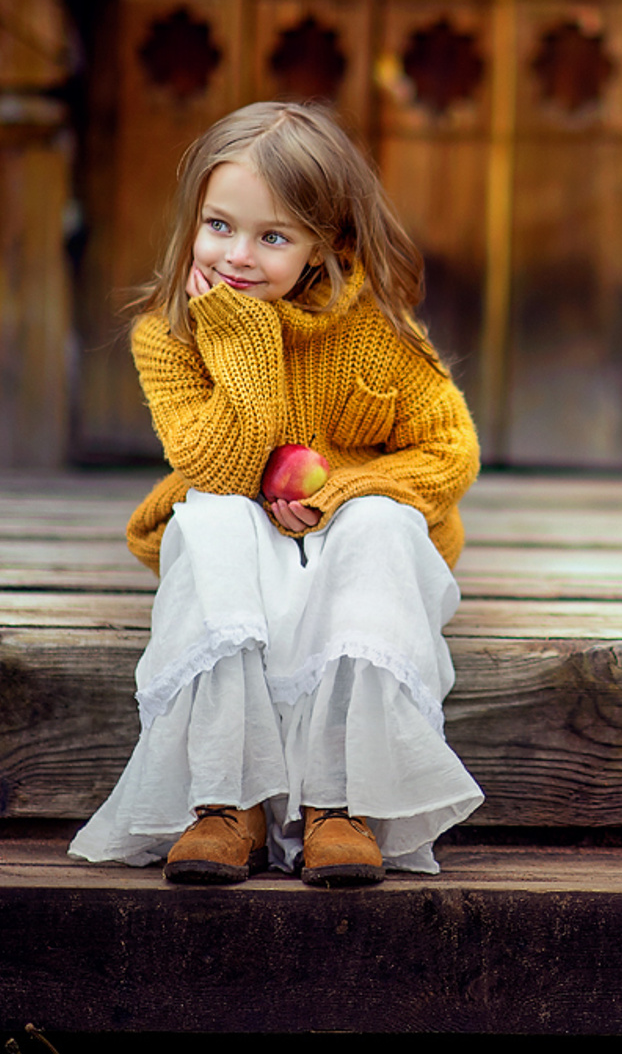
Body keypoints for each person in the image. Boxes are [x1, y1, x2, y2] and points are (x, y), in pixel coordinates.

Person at [69, 101, 484, 887]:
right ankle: (228, 801)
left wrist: (351, 491)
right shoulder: (172, 333)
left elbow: (449, 450)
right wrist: (243, 335)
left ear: (325, 244)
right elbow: (216, 465)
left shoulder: (379, 333)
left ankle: (342, 801)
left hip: (352, 557)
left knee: (380, 523)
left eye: (274, 237)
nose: (237, 255)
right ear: (193, 216)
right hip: (251, 551)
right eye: (219, 225)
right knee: (212, 517)